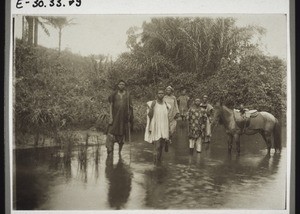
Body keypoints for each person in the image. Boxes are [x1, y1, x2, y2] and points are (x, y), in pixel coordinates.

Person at [106, 80, 133, 155]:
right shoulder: (113, 94)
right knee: (111, 132)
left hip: (124, 118)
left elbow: (130, 107)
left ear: (125, 86)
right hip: (115, 116)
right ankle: (110, 149)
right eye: (120, 84)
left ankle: (119, 153)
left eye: (123, 84)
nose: (121, 85)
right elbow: (111, 105)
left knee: (122, 134)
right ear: (118, 85)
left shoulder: (127, 95)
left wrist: (129, 116)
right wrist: (111, 116)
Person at [144, 89, 171, 163]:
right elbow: (149, 115)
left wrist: (169, 129)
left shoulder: (166, 104)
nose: (161, 94)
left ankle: (159, 162)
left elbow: (167, 117)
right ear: (157, 94)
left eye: (162, 93)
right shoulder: (153, 103)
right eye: (159, 93)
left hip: (164, 128)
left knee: (161, 146)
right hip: (156, 127)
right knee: (157, 146)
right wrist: (151, 108)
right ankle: (155, 163)